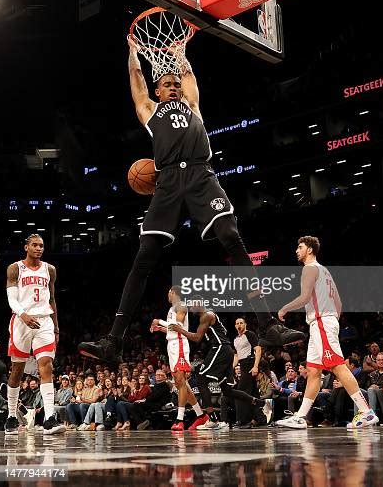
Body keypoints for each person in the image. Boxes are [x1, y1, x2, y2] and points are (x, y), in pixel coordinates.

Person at [78, 37, 304, 365]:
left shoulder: (193, 105)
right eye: (166, 84)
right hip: (167, 181)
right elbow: (137, 84)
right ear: (158, 91)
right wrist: (132, 55)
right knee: (144, 257)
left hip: (201, 176)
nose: (173, 87)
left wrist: (180, 55)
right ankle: (114, 340)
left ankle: (267, 324)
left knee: (231, 236)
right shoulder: (150, 111)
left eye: (175, 83)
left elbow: (189, 79)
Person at [276, 236, 378, 430]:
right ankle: (300, 416)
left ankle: (366, 412)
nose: (297, 250)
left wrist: (284, 308)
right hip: (323, 323)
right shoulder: (326, 271)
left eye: (300, 247)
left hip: (321, 322)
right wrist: (331, 320)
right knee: (313, 371)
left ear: (310, 250)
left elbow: (305, 297)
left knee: (338, 367)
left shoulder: (310, 268)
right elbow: (339, 304)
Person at [168, 302, 272, 430]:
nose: (191, 309)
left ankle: (213, 420)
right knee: (227, 390)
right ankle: (261, 403)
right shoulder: (209, 315)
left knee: (200, 378)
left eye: (193, 306)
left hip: (220, 348)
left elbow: (196, 338)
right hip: (226, 351)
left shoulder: (206, 316)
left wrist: (179, 330)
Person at [4, 234, 65, 435]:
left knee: (46, 365)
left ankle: (49, 418)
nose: (39, 248)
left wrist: (56, 327)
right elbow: (12, 299)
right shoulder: (15, 268)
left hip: (44, 321)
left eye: (41, 246)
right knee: (17, 371)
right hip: (21, 322)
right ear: (26, 247)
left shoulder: (50, 269)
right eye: (35, 245)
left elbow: (53, 299)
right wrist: (23, 315)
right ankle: (12, 416)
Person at [150, 286, 206, 431]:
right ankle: (201, 416)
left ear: (173, 292)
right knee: (180, 382)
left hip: (180, 344)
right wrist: (160, 329)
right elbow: (171, 329)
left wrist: (159, 321)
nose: (167, 295)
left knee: (180, 382)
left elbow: (178, 326)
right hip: (172, 345)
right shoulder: (172, 308)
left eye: (168, 292)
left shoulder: (181, 305)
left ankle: (179, 420)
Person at [232, 318, 264, 428]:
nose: (239, 325)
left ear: (245, 324)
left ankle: (243, 420)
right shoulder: (236, 339)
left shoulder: (249, 334)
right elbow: (236, 355)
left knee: (241, 393)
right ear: (235, 326)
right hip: (242, 364)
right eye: (237, 323)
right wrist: (231, 368)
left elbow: (258, 349)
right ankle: (260, 418)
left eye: (241, 323)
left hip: (250, 363)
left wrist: (256, 366)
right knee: (252, 393)